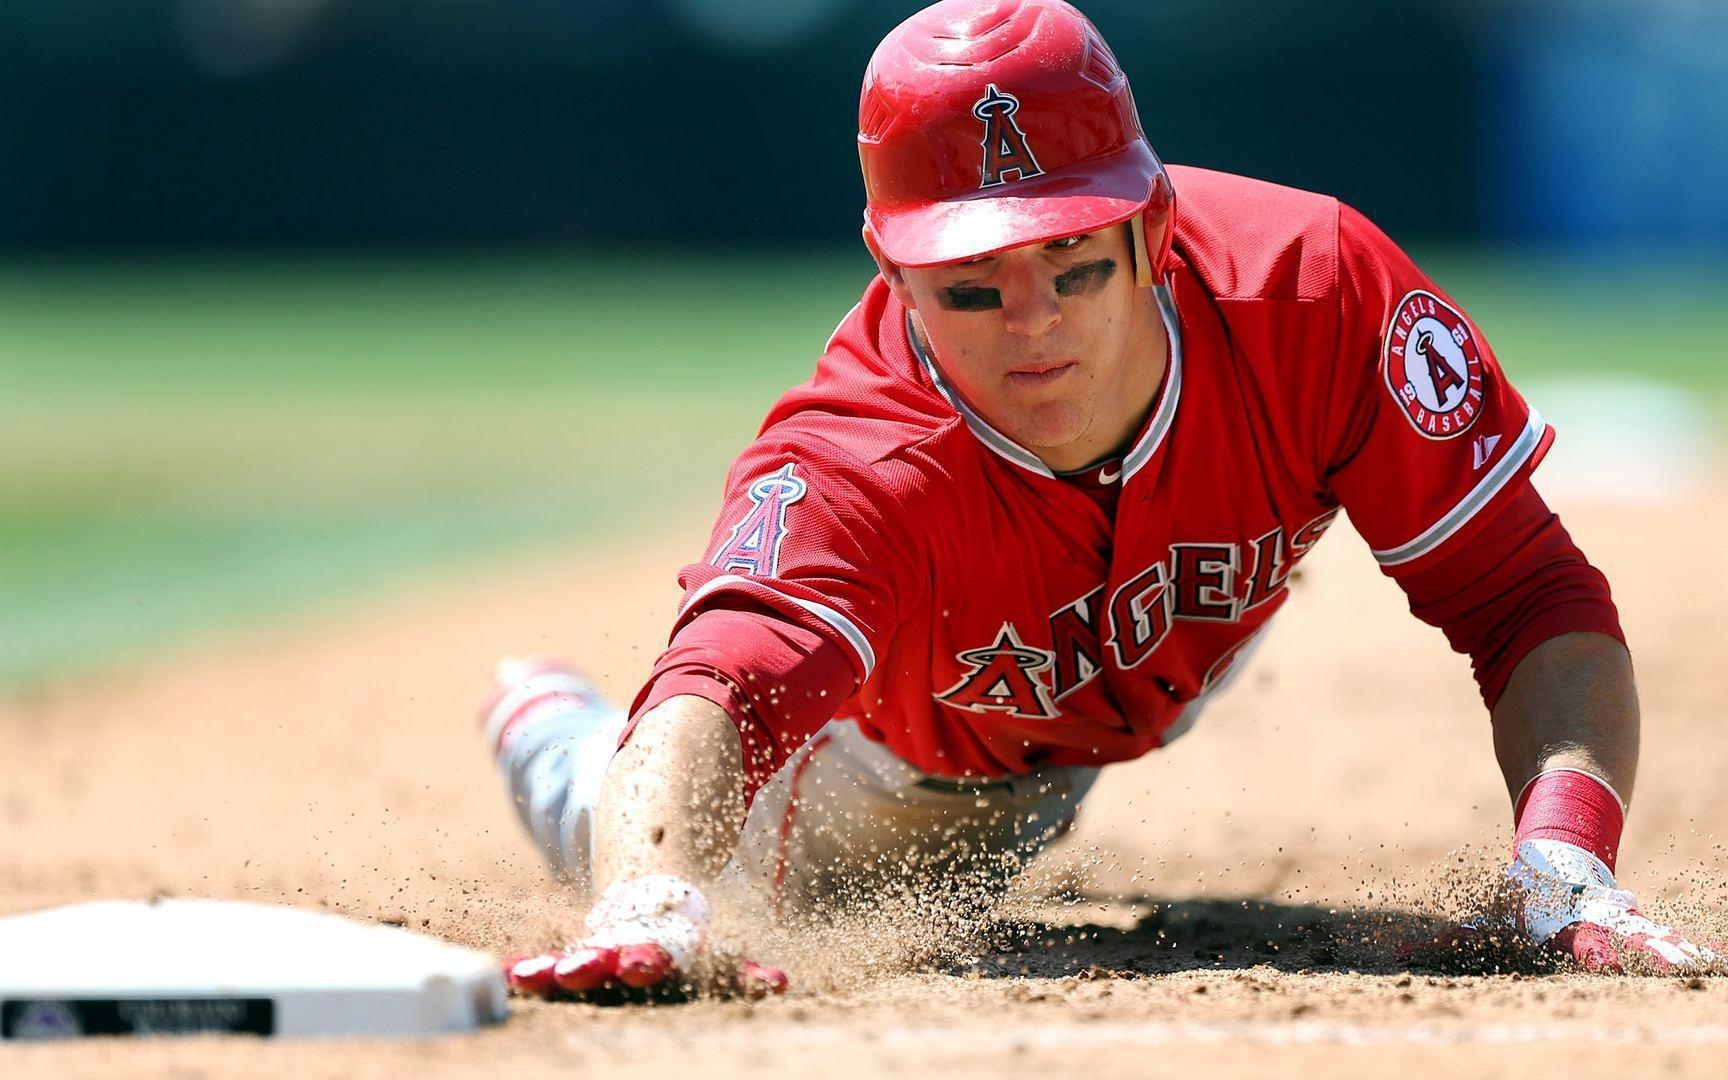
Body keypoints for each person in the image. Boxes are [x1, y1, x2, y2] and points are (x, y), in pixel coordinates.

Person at [484, 0, 1719, 998]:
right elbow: (719, 695)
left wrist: (1566, 865)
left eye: (1073, 267)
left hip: (1137, 633)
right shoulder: (855, 460)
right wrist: (647, 902)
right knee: (646, 823)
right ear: (891, 273)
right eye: (971, 290)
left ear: (1156, 222)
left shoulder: (1318, 298)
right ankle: (553, 734)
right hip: (910, 776)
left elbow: (1528, 595)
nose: (1033, 329)